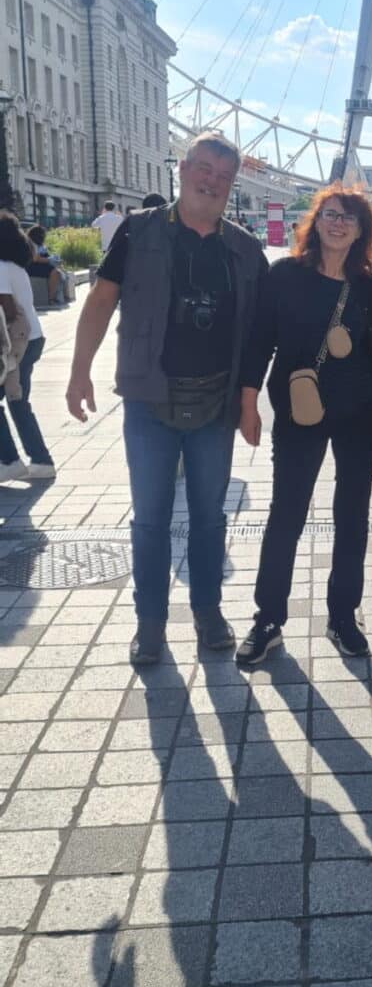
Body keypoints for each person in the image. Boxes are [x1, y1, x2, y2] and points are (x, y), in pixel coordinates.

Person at [66, 132, 267, 666]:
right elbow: (101, 300)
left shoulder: (244, 249)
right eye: (204, 169)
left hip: (215, 403)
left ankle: (207, 611)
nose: (213, 182)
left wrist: (250, 403)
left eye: (224, 176)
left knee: (209, 518)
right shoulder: (139, 232)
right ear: (181, 169)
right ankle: (149, 622)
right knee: (150, 518)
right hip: (148, 400)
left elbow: (258, 335)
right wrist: (79, 371)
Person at [235, 185, 372, 667]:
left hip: (360, 411)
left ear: (362, 230)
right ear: (316, 221)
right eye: (330, 214)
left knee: (353, 514)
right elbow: (260, 339)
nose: (339, 223)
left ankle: (343, 615)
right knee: (288, 509)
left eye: (349, 217)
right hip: (300, 410)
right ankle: (268, 618)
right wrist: (248, 404)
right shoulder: (286, 274)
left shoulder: (366, 284)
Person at [0, 213, 56, 481]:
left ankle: (10, 460)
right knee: (18, 401)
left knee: (16, 400)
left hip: (14, 345)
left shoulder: (0, 267)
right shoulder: (14, 266)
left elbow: (7, 312)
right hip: (30, 339)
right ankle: (40, 462)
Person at [27, 224, 65, 305]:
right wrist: (50, 260)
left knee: (59, 269)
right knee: (55, 272)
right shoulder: (31, 244)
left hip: (41, 265)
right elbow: (35, 258)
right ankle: (51, 299)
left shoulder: (41, 245)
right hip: (33, 267)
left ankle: (60, 296)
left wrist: (55, 260)